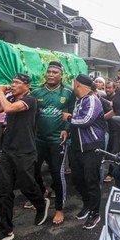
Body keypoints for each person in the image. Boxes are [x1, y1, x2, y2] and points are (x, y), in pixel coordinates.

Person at [0, 73, 49, 240]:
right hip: (8, 150)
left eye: (17, 83)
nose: (12, 85)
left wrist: (0, 92)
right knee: (4, 191)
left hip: (25, 151)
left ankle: (40, 203)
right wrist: (1, 95)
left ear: (27, 86)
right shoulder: (9, 98)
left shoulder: (30, 99)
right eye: (12, 82)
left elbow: (9, 109)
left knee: (26, 185)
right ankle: (5, 230)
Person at [29, 61, 75, 225]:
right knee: (32, 169)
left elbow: (73, 112)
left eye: (55, 72)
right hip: (39, 139)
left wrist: (67, 129)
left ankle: (59, 209)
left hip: (58, 140)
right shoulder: (36, 91)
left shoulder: (69, 91)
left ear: (61, 75)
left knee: (58, 173)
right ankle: (43, 192)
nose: (51, 75)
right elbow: (32, 115)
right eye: (49, 72)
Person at [61, 74, 106, 230]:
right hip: (77, 147)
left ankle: (95, 213)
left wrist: (68, 119)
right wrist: (68, 129)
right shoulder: (79, 101)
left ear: (78, 85)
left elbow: (86, 120)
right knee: (77, 180)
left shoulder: (93, 100)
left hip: (92, 146)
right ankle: (87, 205)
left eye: (74, 84)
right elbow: (76, 118)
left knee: (91, 181)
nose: (72, 87)